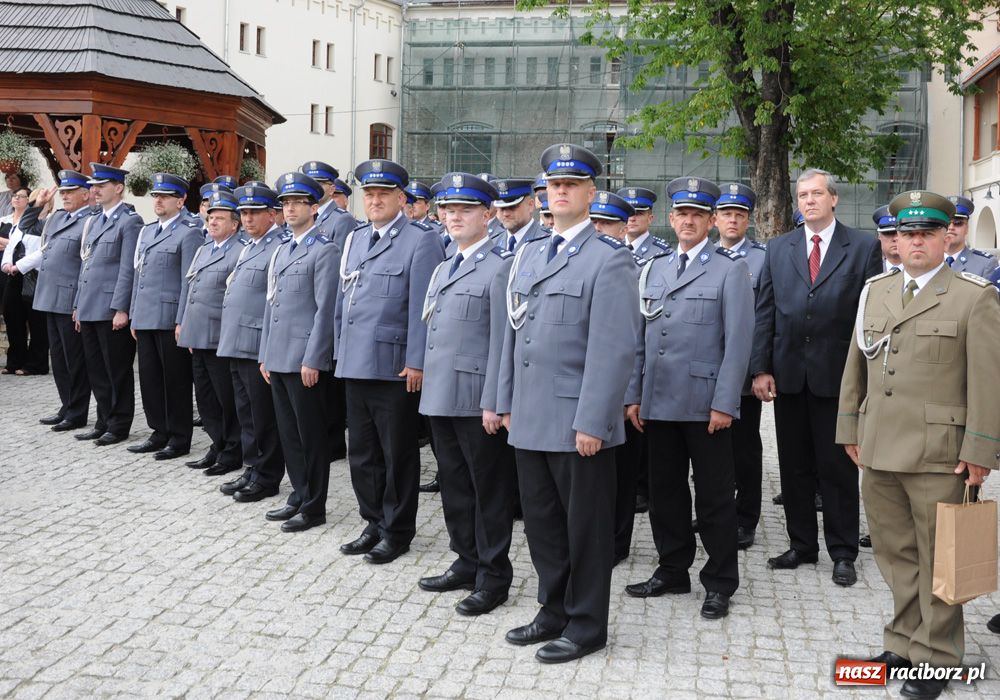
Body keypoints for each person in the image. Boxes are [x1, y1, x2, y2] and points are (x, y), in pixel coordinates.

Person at [837, 190, 1000, 700]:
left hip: (940, 453)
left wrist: (980, 451)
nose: (915, 242)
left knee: (938, 559)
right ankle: (904, 641)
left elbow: (989, 381)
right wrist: (848, 427)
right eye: (906, 233)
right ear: (895, 239)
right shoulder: (877, 291)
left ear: (946, 236)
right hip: (880, 445)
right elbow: (856, 365)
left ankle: (938, 657)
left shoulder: (974, 296)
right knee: (895, 553)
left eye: (927, 233)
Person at [497, 143, 640, 663]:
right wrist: (506, 401)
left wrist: (595, 421)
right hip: (531, 416)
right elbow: (515, 336)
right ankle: (552, 609)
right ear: (544, 195)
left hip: (578, 421)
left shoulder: (610, 259)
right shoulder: (532, 252)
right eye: (553, 185)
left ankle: (586, 625)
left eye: (571, 185)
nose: (560, 192)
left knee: (585, 529)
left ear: (589, 193)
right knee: (541, 525)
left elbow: (614, 348)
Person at [624, 177, 753, 620]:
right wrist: (634, 395)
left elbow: (738, 344)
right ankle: (672, 568)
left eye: (699, 215)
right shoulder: (655, 267)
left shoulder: (730, 269)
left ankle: (719, 582)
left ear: (712, 221)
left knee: (715, 498)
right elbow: (641, 338)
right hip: (658, 401)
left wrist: (725, 404)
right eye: (682, 214)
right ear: (672, 218)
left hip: (704, 406)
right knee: (665, 493)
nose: (689, 222)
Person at [751, 168, 883, 587]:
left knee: (838, 469)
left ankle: (842, 552)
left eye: (816, 194)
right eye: (802, 195)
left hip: (838, 380)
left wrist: (864, 382)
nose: (808, 201)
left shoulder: (862, 248)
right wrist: (761, 367)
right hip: (789, 375)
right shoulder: (778, 248)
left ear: (834, 199)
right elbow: (765, 312)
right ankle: (802, 545)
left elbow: (871, 319)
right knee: (794, 467)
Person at [335, 159, 445, 563]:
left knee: (396, 452)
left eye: (383, 194)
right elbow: (342, 301)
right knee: (361, 451)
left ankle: (397, 530)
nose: (375, 200)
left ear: (402, 198)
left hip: (395, 366)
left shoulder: (420, 240)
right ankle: (373, 520)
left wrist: (417, 362)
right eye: (370, 193)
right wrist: (338, 350)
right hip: (355, 362)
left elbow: (425, 307)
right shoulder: (357, 239)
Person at [416, 173, 516, 616]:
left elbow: (503, 342)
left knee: (487, 490)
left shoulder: (501, 266)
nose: (454, 217)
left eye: (465, 209)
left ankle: (493, 576)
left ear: (488, 214)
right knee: (455, 486)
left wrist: (496, 400)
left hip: (478, 399)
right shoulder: (444, 265)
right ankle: (466, 559)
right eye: (447, 209)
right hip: (441, 393)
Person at [257, 173, 339, 533]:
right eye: (285, 203)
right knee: (289, 434)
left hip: (303, 359)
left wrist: (314, 358)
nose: (289, 209)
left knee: (310, 436)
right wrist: (264, 353)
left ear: (314, 207)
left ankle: (314, 505)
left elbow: (326, 310)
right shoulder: (282, 249)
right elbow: (271, 306)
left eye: (297, 203)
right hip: (278, 356)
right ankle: (299, 494)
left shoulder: (324, 250)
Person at [216, 183, 286, 503]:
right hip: (237, 340)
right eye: (243, 213)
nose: (247, 219)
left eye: (254, 213)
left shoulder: (277, 246)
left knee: (262, 415)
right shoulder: (249, 245)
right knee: (246, 413)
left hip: (257, 341)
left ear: (272, 214)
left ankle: (268, 474)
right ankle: (252, 466)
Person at [126, 173, 203, 460]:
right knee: (150, 379)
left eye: (165, 196)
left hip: (170, 317)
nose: (157, 200)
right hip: (145, 315)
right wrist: (134, 312)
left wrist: (183, 319)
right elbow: (138, 274)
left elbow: (189, 280)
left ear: (181, 200)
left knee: (176, 380)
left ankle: (179, 437)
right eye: (155, 195)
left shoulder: (189, 231)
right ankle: (158, 430)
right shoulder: (147, 231)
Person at [588, 190, 645, 565]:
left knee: (624, 473)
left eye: (607, 223)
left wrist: (633, 391)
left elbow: (637, 339)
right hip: (594, 387)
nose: (600, 229)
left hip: (627, 387)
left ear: (623, 226)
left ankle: (617, 542)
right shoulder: (589, 260)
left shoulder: (635, 263)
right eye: (595, 223)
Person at [17, 172, 95, 432]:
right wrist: (37, 204)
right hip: (49, 296)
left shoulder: (90, 221)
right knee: (59, 359)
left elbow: (88, 265)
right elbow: (26, 227)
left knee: (74, 359)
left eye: (70, 192)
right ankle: (66, 405)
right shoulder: (58, 217)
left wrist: (80, 302)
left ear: (86, 194)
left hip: (69, 297)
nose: (65, 196)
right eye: (63, 192)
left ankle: (77, 411)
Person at [177, 191, 246, 476]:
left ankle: (232, 450)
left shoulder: (239, 250)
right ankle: (217, 444)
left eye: (220, 218)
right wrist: (184, 324)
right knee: (205, 398)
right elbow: (190, 288)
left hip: (219, 336)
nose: (213, 222)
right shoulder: (205, 248)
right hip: (198, 334)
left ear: (235, 224)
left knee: (225, 399)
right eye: (211, 217)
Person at [73, 163, 142, 446]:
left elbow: (129, 268)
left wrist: (121, 308)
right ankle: (103, 419)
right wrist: (78, 304)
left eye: (101, 186)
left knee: (116, 369)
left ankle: (119, 422)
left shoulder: (129, 221)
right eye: (94, 186)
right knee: (96, 369)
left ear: (119, 188)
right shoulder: (95, 220)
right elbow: (86, 265)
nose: (95, 191)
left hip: (110, 309)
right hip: (90, 305)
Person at [715, 183, 766, 550]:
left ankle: (746, 517)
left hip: (743, 373)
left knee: (745, 448)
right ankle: (718, 510)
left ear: (748, 220)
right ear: (715, 218)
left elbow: (764, 319)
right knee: (713, 448)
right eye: (727, 213)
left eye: (740, 214)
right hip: (703, 370)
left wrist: (761, 368)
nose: (733, 220)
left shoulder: (763, 259)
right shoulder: (699, 255)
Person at [1, 186, 49, 375]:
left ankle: (36, 363)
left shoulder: (46, 224)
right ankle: (15, 361)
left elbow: (43, 251)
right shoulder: (22, 225)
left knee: (36, 321)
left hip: (33, 275)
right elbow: (11, 246)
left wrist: (20, 265)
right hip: (14, 274)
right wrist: (6, 265)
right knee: (13, 317)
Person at [944, 195, 997, 278]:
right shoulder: (927, 260)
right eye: (946, 223)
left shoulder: (985, 264)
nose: (951, 227)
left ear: (967, 228)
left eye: (958, 223)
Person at [494, 177, 549, 253]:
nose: (506, 213)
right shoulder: (493, 243)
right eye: (502, 208)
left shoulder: (548, 240)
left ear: (530, 205)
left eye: (512, 207)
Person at [873, 205, 902, 273]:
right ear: (879, 238)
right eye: (888, 233)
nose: (895, 238)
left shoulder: (922, 270)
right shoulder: (870, 271)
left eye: (901, 233)